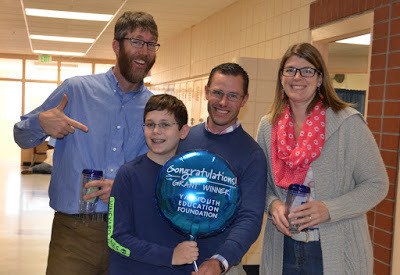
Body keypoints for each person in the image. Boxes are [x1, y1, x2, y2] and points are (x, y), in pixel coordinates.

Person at [13, 11, 160, 274]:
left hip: (132, 233)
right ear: (117, 46)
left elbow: (161, 170)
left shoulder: (155, 108)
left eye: (151, 44)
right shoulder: (76, 91)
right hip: (75, 234)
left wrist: (125, 187)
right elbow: (20, 135)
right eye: (137, 41)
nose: (145, 51)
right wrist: (40, 124)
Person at [256, 43, 389, 274]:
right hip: (282, 247)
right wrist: (273, 204)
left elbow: (377, 184)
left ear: (319, 79)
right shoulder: (268, 127)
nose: (297, 77)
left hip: (334, 248)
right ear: (281, 77)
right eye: (290, 70)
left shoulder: (347, 123)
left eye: (307, 70)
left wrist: (330, 209)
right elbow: (258, 185)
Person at [177, 63, 267, 275]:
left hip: (221, 266)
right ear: (207, 92)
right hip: (173, 259)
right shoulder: (183, 139)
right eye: (217, 92)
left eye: (233, 95)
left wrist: (220, 261)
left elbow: (250, 218)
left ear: (244, 99)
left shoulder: (252, 154)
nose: (223, 102)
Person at [108, 94, 199, 274]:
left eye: (165, 124)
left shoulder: (193, 178)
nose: (156, 131)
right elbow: (115, 239)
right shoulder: (128, 175)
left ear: (183, 131)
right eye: (150, 124)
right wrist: (169, 256)